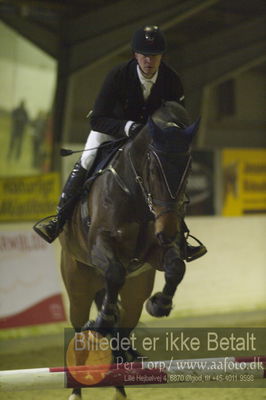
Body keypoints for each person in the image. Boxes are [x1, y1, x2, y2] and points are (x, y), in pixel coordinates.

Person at [34, 25, 206, 261]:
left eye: (154, 55)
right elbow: (98, 119)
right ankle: (58, 220)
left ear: (162, 56)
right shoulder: (117, 75)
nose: (148, 60)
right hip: (112, 130)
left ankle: (181, 237)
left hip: (149, 141)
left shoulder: (172, 80)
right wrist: (127, 127)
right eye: (144, 54)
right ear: (135, 54)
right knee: (86, 159)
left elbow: (177, 117)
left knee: (168, 176)